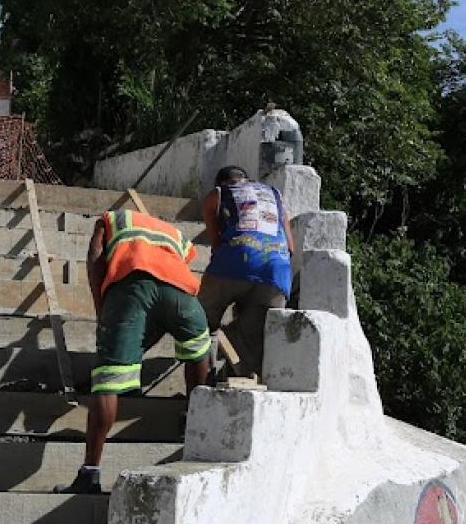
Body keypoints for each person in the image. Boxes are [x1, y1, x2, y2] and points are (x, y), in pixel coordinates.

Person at [58, 208, 212, 495]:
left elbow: (95, 255)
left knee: (106, 381)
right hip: (181, 292)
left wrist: (102, 310)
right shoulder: (173, 232)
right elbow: (169, 278)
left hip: (131, 285)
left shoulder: (110, 218)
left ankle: (89, 474)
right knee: (198, 348)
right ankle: (194, 417)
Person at [197, 166, 294, 379]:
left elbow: (216, 244)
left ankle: (201, 386)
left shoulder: (220, 193)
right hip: (276, 271)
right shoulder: (275, 196)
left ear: (221, 183)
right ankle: (245, 383)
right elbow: (291, 247)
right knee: (254, 341)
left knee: (200, 324)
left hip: (234, 260)